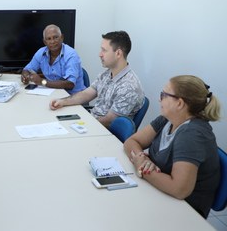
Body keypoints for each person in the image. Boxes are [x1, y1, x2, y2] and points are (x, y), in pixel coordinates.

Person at [124, 75, 221, 218]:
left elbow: (179, 189)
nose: (159, 99)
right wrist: (143, 161)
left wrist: (142, 169)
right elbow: (131, 142)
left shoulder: (192, 134)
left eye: (163, 95)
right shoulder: (167, 119)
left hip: (185, 212)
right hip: (159, 193)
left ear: (180, 103)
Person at [50, 31, 144, 128]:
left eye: (104, 50)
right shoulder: (107, 73)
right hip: (93, 123)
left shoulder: (129, 86)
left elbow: (109, 121)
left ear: (118, 53)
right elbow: (86, 94)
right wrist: (62, 101)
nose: (100, 54)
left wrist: (82, 123)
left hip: (105, 132)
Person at [21, 24, 86, 94]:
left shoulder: (71, 55)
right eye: (49, 39)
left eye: (55, 37)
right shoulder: (41, 53)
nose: (52, 41)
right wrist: (26, 77)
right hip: (53, 94)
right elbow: (26, 69)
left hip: (75, 97)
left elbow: (70, 84)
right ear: (45, 42)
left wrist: (42, 81)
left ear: (62, 37)